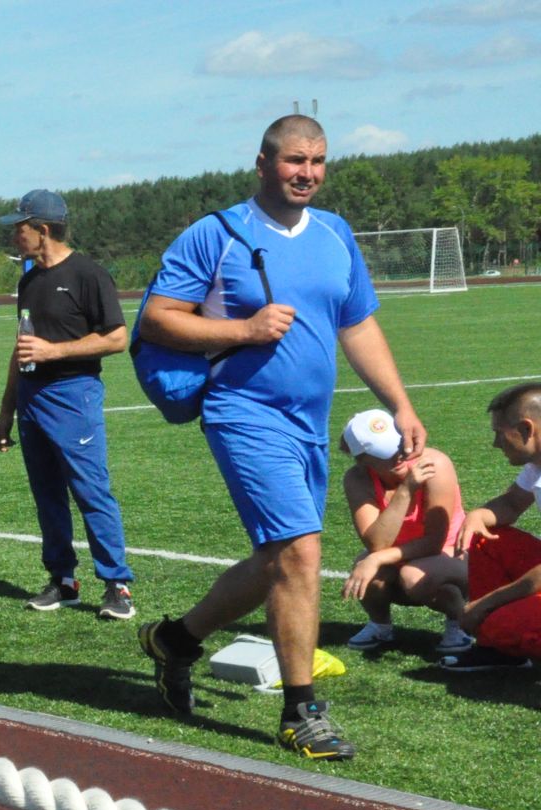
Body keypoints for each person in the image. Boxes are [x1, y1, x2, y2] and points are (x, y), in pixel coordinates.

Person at [135, 115, 426, 761]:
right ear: (263, 162)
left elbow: (358, 326)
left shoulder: (334, 233)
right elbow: (156, 319)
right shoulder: (217, 234)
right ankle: (302, 712)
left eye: (319, 161)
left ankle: (176, 640)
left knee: (277, 558)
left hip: (308, 422)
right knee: (299, 552)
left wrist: (399, 402)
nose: (308, 173)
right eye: (295, 160)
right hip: (242, 412)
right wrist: (243, 330)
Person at [0, 190, 136, 620]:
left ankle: (117, 585)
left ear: (43, 230)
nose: (15, 235)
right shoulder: (29, 280)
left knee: (91, 491)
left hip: (74, 396)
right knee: (47, 495)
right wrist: (5, 414)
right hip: (32, 400)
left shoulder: (89, 274)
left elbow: (116, 337)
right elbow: (22, 349)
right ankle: (63, 580)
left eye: (21, 227)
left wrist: (53, 352)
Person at [337, 408, 471, 656]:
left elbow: (433, 542)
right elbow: (377, 542)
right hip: (400, 554)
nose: (399, 456)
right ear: (363, 460)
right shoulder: (357, 479)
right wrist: (406, 490)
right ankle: (380, 625)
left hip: (451, 553)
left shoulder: (435, 464)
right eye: (386, 453)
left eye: (400, 446)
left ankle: (459, 621)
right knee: (370, 570)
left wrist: (376, 558)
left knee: (410, 575)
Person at [441, 382, 541, 672]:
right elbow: (511, 504)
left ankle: (500, 635)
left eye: (499, 433)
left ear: (526, 429)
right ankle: (499, 651)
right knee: (488, 538)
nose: (496, 444)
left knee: (496, 623)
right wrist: (477, 516)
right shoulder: (536, 463)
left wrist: (485, 605)